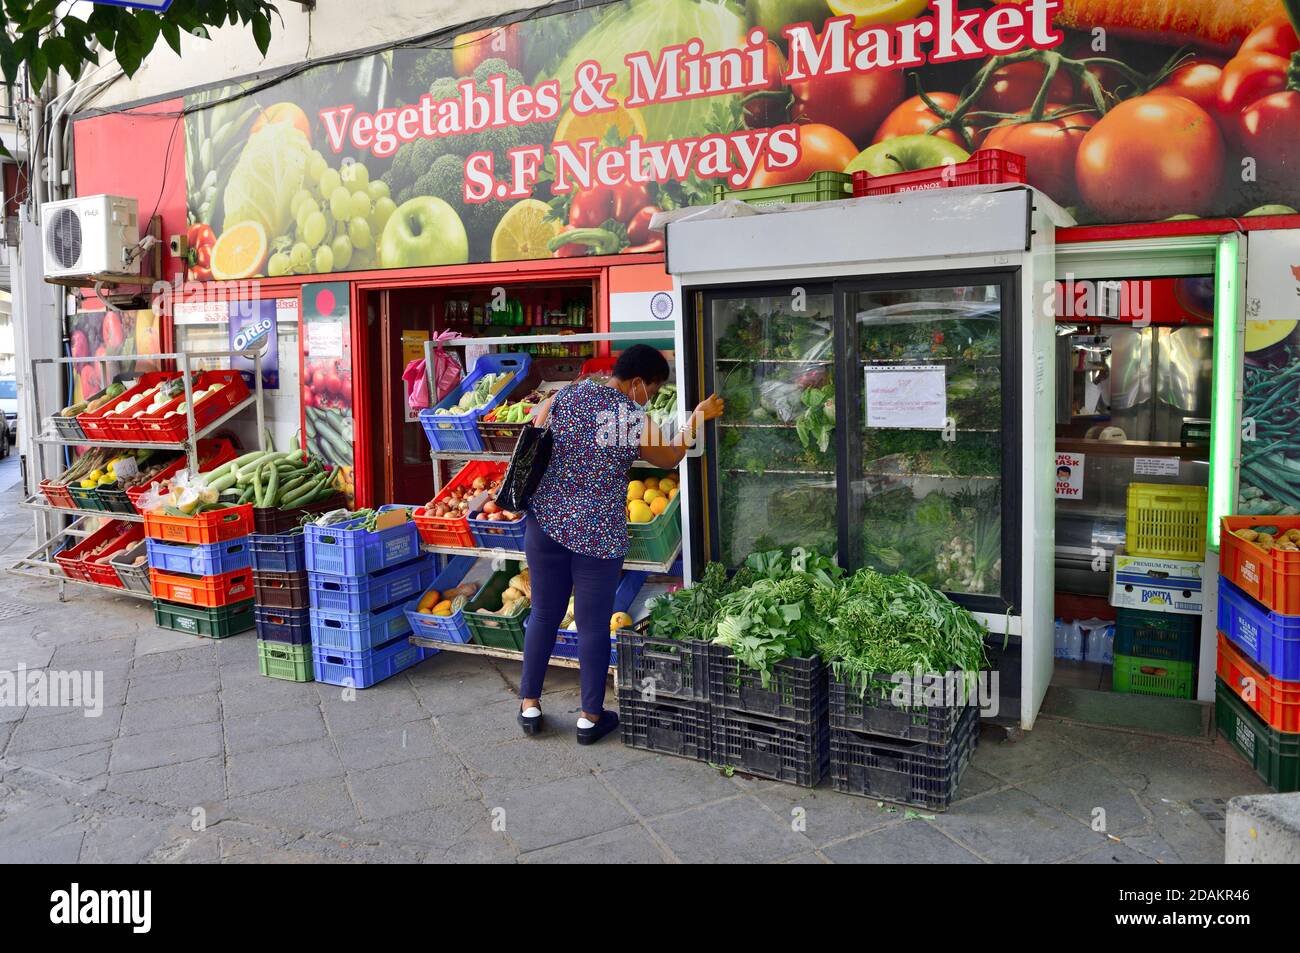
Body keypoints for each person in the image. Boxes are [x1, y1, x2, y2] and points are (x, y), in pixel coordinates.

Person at [518, 344, 724, 744]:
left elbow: (534, 440)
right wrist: (696, 418)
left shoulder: (565, 395)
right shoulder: (630, 416)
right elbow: (667, 458)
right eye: (652, 387)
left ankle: (529, 705)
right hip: (596, 531)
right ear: (636, 384)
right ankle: (589, 718)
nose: (648, 394)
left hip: (545, 522)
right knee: (595, 624)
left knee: (544, 613)